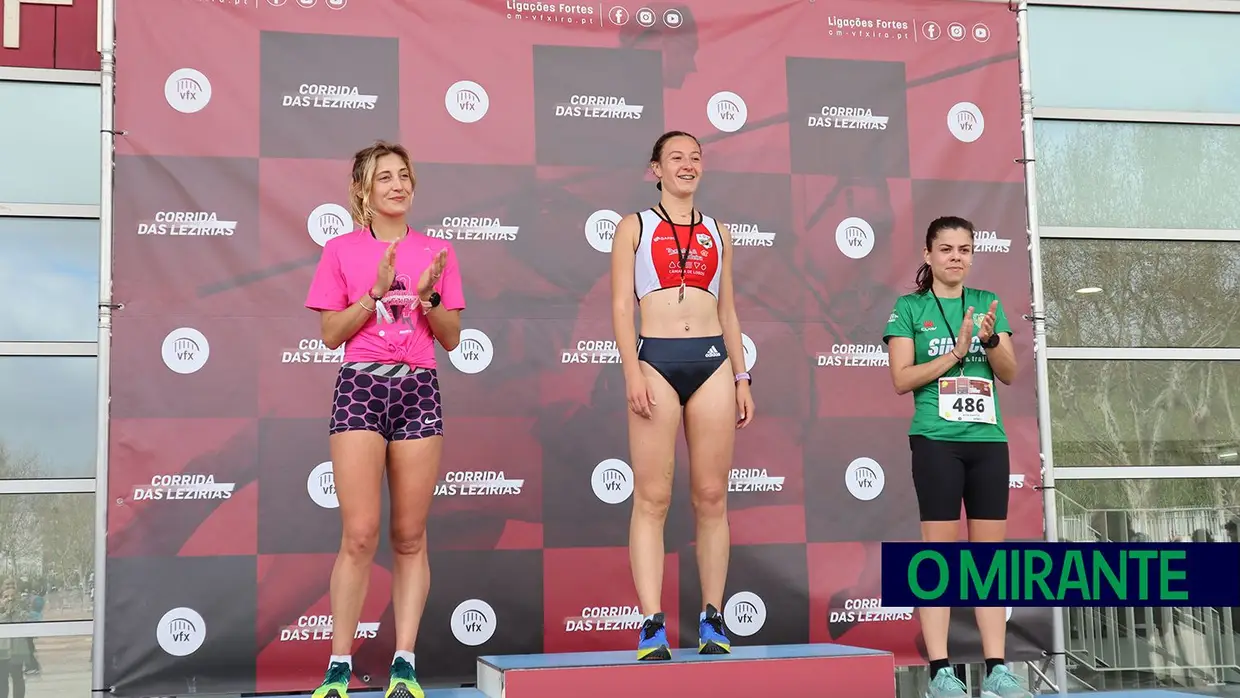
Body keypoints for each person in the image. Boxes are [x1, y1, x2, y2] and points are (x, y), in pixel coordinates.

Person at [304, 140, 465, 698]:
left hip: (419, 387)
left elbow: (451, 338)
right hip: (361, 387)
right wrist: (375, 293)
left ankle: (404, 662)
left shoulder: (438, 250)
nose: (397, 185)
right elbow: (330, 335)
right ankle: (339, 666)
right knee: (360, 534)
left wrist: (427, 298)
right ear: (364, 192)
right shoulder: (341, 250)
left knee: (409, 535)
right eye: (384, 178)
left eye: (403, 176)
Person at [610, 130, 756, 661]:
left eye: (695, 158)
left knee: (712, 497)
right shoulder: (634, 226)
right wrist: (631, 370)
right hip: (656, 361)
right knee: (652, 498)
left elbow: (730, 310)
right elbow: (623, 307)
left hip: (713, 362)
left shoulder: (718, 230)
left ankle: (712, 617)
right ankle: (651, 622)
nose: (687, 165)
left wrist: (742, 377)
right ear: (656, 169)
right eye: (676, 158)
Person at [882, 216, 1030, 698]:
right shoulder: (910, 307)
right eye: (946, 249)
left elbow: (1007, 372)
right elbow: (901, 378)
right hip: (936, 440)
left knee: (989, 560)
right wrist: (956, 353)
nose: (956, 257)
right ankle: (941, 671)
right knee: (940, 557)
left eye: (964, 249)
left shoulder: (988, 304)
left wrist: (988, 342)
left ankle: (998, 670)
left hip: (988, 442)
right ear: (928, 255)